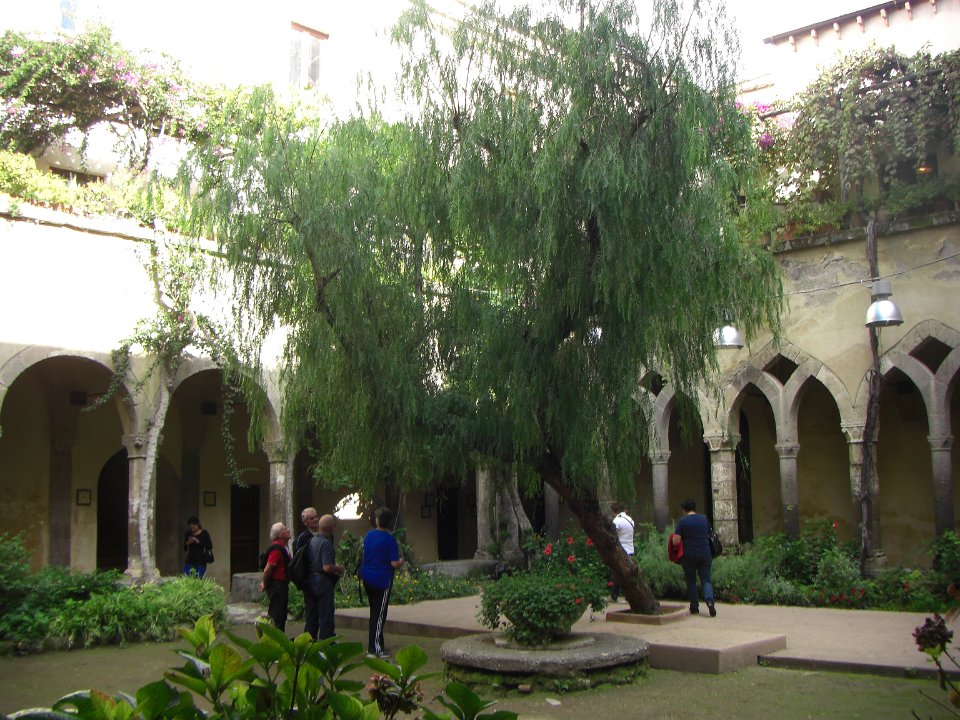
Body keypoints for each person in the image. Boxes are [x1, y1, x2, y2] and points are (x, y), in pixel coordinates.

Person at [360, 507, 405, 658]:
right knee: (379, 615)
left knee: (374, 613)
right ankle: (374, 649)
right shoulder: (390, 539)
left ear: (377, 520)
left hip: (367, 577)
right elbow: (394, 563)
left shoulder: (369, 535)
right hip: (382, 579)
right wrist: (401, 561)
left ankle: (377, 644)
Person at [672, 498, 716, 617]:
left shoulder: (682, 522)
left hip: (688, 555)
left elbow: (676, 541)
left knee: (691, 580)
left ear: (684, 510)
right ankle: (710, 601)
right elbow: (710, 533)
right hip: (705, 552)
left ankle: (694, 606)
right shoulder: (704, 519)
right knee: (706, 579)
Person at [305, 514, 345, 640]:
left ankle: (308, 642)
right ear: (331, 527)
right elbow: (327, 567)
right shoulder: (326, 543)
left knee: (312, 615)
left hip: (310, 580)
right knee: (326, 614)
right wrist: (339, 568)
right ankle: (326, 642)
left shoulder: (312, 541)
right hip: (322, 581)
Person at [259, 522, 292, 631]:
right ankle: (274, 637)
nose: (288, 530)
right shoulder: (277, 548)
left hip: (281, 585)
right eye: (285, 529)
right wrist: (265, 583)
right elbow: (268, 569)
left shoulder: (284, 547)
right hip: (277, 585)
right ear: (279, 534)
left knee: (281, 614)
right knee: (277, 615)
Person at [610, 504, 635, 602]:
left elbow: (612, 534)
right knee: (628, 574)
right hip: (630, 549)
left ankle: (614, 595)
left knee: (617, 573)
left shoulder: (617, 520)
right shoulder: (630, 520)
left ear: (614, 511)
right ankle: (629, 596)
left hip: (621, 550)